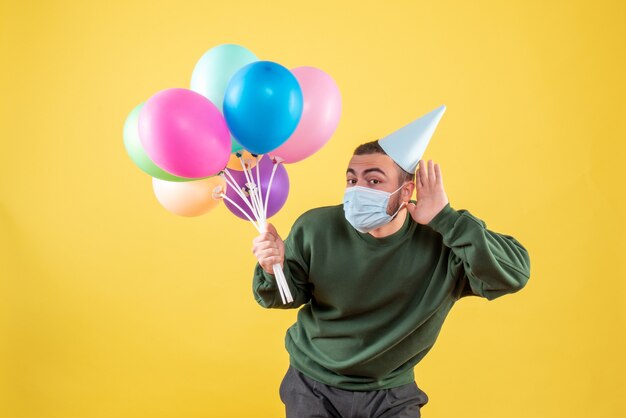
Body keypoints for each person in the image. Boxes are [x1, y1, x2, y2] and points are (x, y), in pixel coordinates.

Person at [251, 108, 531, 417]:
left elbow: (513, 274)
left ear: (406, 191)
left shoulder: (443, 242)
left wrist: (447, 219)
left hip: (391, 393)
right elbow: (283, 297)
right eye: (351, 180)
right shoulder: (315, 227)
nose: (357, 191)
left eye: (373, 181)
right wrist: (271, 268)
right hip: (312, 384)